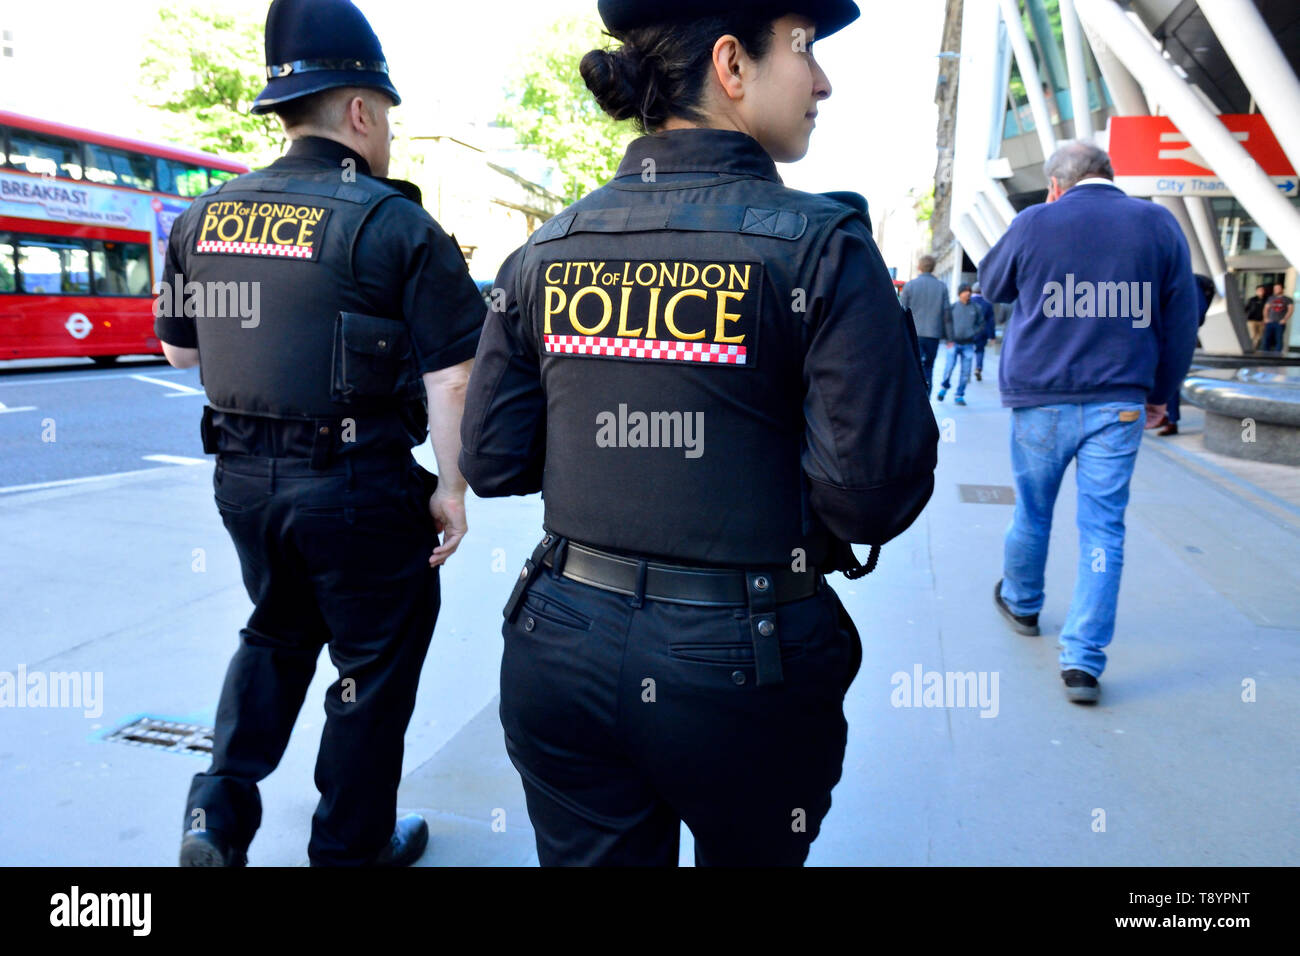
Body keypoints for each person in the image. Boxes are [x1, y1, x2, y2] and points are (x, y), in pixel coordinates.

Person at [459, 0, 937, 866]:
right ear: (731, 65)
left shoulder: (548, 247)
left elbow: (491, 459)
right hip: (741, 665)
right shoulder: (821, 246)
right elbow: (871, 493)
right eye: (806, 50)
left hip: (559, 640)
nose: (823, 80)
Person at [156, 0, 485, 866]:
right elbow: (454, 377)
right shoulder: (395, 223)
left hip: (242, 484)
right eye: (388, 122)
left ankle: (216, 815)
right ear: (361, 111)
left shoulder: (204, 215)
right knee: (372, 666)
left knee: (275, 627)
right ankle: (349, 847)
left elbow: (179, 353)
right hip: (357, 489)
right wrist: (451, 489)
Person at [978, 141, 1198, 704]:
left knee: (1033, 510)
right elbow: (1181, 315)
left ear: (1056, 184)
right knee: (1104, 528)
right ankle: (1081, 662)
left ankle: (1023, 602)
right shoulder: (1157, 223)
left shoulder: (1036, 221)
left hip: (1041, 396)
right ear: (1108, 175)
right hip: (1120, 399)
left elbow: (991, 284)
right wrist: (1161, 394)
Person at [1154, 273, 1215, 436]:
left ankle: (1171, 419)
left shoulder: (1189, 281)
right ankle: (1165, 415)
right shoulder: (1164, 277)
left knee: (1170, 375)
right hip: (1160, 334)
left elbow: (1197, 314)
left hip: (1175, 336)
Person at [900, 254, 950, 397]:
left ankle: (913, 398)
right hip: (933, 335)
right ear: (934, 267)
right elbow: (947, 313)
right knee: (929, 368)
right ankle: (926, 398)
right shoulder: (942, 287)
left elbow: (901, 310)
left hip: (913, 334)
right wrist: (950, 337)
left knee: (912, 368)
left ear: (919, 267)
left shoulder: (910, 286)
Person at [936, 283, 983, 405]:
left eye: (969, 291)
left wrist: (973, 332)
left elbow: (981, 324)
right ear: (959, 293)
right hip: (953, 343)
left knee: (966, 372)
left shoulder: (976, 308)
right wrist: (948, 339)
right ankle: (943, 389)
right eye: (965, 291)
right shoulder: (953, 308)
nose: (968, 293)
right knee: (949, 368)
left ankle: (959, 395)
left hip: (968, 345)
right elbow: (946, 324)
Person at [969, 281, 996, 381]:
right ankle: (978, 368)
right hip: (982, 332)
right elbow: (991, 321)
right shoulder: (987, 303)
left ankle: (967, 372)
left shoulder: (968, 301)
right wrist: (992, 336)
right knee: (980, 351)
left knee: (968, 350)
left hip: (969, 332)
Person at [1262, 282, 1292, 353]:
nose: (1276, 290)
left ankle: (1277, 354)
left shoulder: (1287, 299)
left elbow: (1290, 310)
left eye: (1277, 288)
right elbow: (1265, 309)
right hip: (1270, 322)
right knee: (1266, 338)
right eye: (1275, 288)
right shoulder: (1271, 298)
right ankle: (1265, 354)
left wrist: (1285, 319)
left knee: (1278, 339)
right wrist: (1266, 318)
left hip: (1280, 322)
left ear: (1282, 289)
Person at [1244, 283, 1268, 351]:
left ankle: (1254, 349)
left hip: (1261, 321)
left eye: (1262, 290)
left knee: (1259, 336)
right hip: (1252, 320)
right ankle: (1250, 348)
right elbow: (1246, 309)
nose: (1261, 291)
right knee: (1252, 335)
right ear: (1256, 291)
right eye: (1259, 290)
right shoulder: (1252, 299)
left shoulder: (1266, 300)